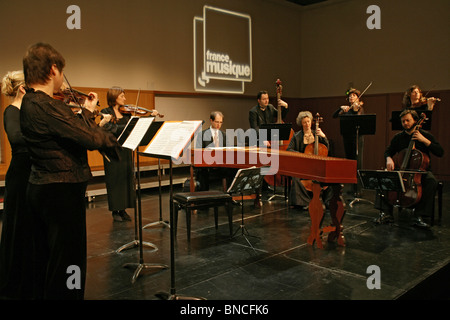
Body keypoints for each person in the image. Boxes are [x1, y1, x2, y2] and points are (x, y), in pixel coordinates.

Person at [20, 42, 119, 299]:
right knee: (67, 263)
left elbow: (70, 130)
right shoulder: (45, 105)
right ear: (53, 69)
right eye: (61, 71)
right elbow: (85, 136)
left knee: (48, 259)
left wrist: (86, 113)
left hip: (43, 188)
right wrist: (111, 139)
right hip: (60, 193)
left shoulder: (32, 102)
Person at [374, 109, 444, 228]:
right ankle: (386, 213)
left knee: (431, 181)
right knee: (383, 178)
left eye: (408, 120)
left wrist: (424, 141)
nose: (405, 123)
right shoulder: (399, 137)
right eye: (403, 121)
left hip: (422, 172)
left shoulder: (425, 135)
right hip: (402, 170)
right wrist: (388, 158)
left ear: (415, 121)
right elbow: (388, 151)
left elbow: (440, 152)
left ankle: (419, 215)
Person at [0, 71, 33, 299]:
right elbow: (16, 137)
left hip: (31, 174)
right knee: (17, 226)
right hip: (20, 176)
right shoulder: (12, 111)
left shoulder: (29, 113)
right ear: (22, 89)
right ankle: (14, 281)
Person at [287, 111, 331, 209]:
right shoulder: (297, 136)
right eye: (304, 122)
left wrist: (323, 136)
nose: (307, 124)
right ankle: (304, 202)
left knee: (330, 177)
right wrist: (303, 155)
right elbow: (289, 149)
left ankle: (328, 201)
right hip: (303, 166)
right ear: (301, 123)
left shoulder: (317, 134)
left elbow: (326, 148)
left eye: (308, 122)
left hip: (317, 167)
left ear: (311, 122)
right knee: (295, 177)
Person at [195, 111, 233, 191]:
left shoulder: (224, 135)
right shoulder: (202, 135)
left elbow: (229, 150)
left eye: (221, 122)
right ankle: (204, 196)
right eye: (216, 122)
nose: (219, 124)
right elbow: (198, 152)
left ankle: (229, 195)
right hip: (207, 164)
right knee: (201, 172)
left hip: (221, 164)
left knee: (233, 169)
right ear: (211, 120)